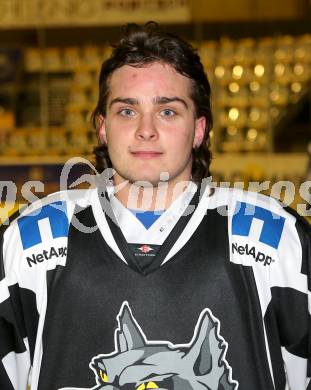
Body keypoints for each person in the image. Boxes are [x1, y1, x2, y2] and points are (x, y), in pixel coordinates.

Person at [0, 22, 310, 390]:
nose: (145, 129)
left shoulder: (277, 239)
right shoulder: (30, 240)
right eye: (127, 111)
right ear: (102, 127)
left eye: (167, 111)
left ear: (198, 129)